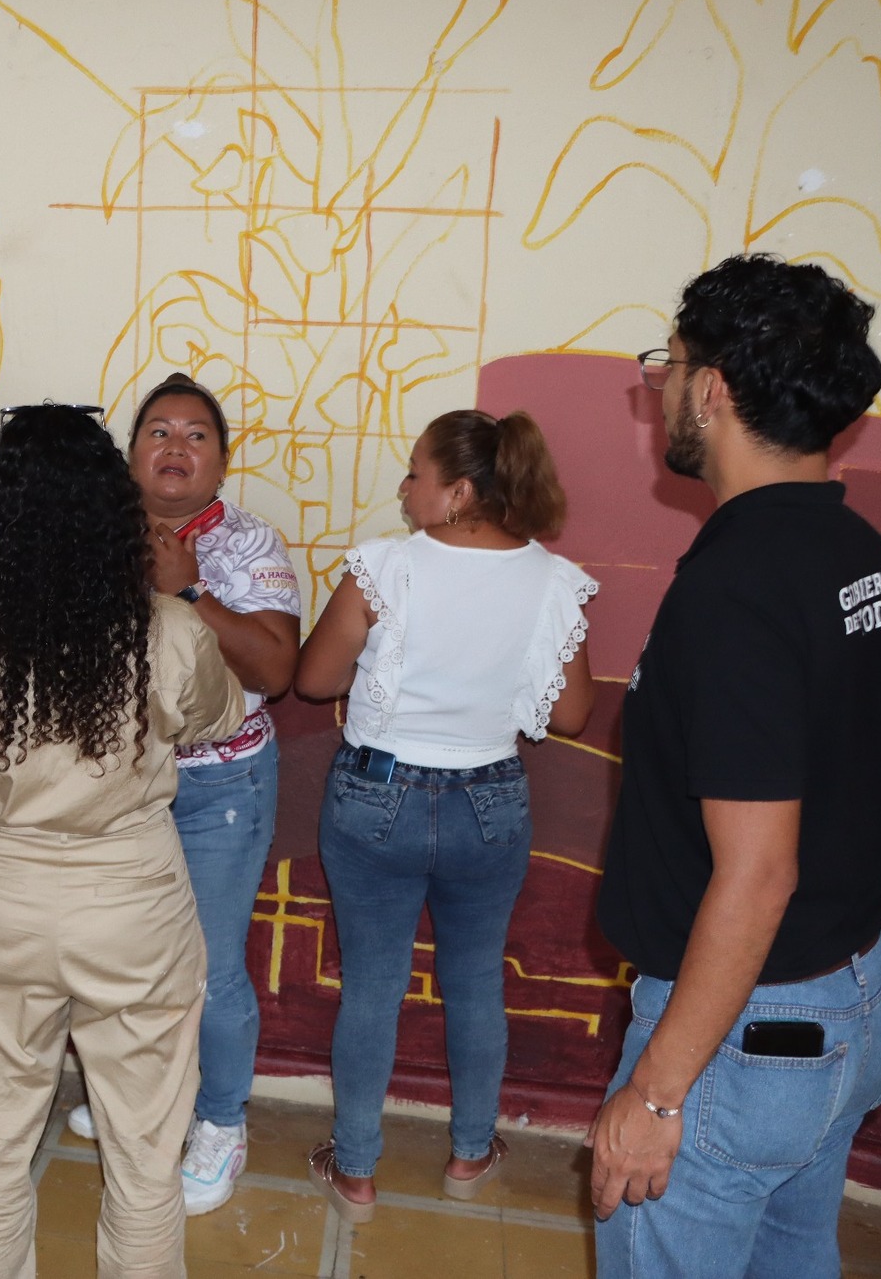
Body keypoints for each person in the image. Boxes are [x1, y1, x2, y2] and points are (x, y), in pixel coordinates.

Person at [589, 255, 881, 1278]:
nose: (657, 388)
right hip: (850, 999)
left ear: (714, 389)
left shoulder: (735, 589)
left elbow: (759, 871)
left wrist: (656, 1096)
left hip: (742, 1036)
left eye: (668, 364)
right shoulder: (866, 556)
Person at [0, 403, 245, 1278]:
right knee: (144, 1157)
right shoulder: (169, 628)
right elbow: (219, 714)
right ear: (114, 516)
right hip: (134, 905)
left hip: (0, 904)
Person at [294, 408, 597, 1223]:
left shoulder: (385, 567)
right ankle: (469, 1154)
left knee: (372, 986)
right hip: (489, 801)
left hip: (376, 798)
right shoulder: (553, 580)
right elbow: (572, 715)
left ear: (459, 490)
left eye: (416, 473)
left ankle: (356, 1170)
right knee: (474, 980)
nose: (404, 488)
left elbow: (314, 679)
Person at [61, 372, 302, 1214]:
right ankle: (141, 1099)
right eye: (157, 431)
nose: (175, 447)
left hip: (218, 783)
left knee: (208, 965)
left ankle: (220, 1121)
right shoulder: (94, 534)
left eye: (196, 435)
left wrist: (188, 591)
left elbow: (277, 667)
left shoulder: (249, 542)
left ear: (222, 462)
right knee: (116, 953)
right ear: (130, 454)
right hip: (114, 781)